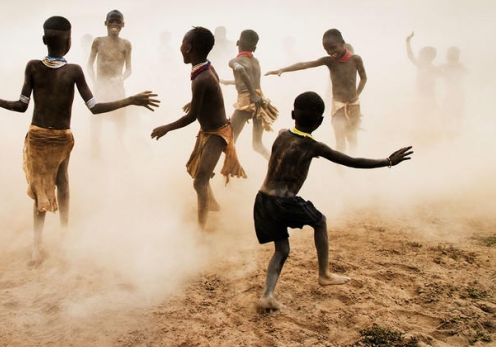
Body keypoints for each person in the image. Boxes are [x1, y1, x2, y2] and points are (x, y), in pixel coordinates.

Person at [0, 15, 158, 264]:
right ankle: (65, 239)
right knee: (62, 183)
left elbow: (21, 106)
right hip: (61, 137)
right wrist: (129, 100)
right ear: (68, 42)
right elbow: (95, 107)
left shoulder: (33, 67)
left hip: (37, 136)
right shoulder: (74, 71)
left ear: (44, 39)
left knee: (40, 189)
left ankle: (37, 247)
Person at [255, 91, 412, 311]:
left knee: (282, 249)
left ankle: (267, 295)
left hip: (263, 200)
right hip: (284, 202)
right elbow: (352, 161)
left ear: (292, 114)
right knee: (319, 221)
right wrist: (387, 161)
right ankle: (324, 274)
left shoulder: (281, 134)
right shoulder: (313, 147)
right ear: (320, 122)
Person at [151, 26, 246, 229]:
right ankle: (213, 205)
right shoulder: (206, 68)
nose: (180, 47)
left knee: (199, 181)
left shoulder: (202, 77)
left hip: (218, 134)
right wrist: (196, 101)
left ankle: (201, 229)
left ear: (189, 48)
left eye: (182, 43)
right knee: (199, 172)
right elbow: (213, 90)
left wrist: (166, 127)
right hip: (209, 130)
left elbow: (192, 117)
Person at [266, 29, 367, 152]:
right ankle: (341, 170)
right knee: (340, 141)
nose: (330, 52)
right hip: (338, 106)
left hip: (354, 106)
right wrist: (282, 69)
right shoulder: (329, 61)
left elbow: (363, 78)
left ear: (342, 43)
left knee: (352, 139)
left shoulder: (356, 59)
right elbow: (304, 65)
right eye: (327, 50)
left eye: (333, 48)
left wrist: (356, 94)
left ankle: (354, 164)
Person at [226, 29, 278, 159]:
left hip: (247, 101)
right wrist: (225, 82)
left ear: (238, 43)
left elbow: (241, 71)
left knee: (230, 141)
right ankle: (277, 166)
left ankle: (228, 176)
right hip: (260, 102)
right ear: (254, 47)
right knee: (257, 145)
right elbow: (248, 80)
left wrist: (251, 94)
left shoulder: (235, 61)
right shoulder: (255, 62)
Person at [87, 9, 133, 154]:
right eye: (111, 21)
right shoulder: (98, 41)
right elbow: (89, 65)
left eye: (118, 22)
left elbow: (129, 70)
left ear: (123, 25)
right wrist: (94, 81)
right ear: (105, 23)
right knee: (97, 118)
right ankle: (95, 149)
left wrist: (120, 79)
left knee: (120, 119)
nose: (114, 24)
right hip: (101, 86)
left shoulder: (126, 44)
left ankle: (120, 148)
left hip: (117, 88)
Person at [405, 32, 439, 113]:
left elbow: (410, 56)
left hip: (425, 96)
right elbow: (411, 56)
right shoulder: (432, 67)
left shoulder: (423, 65)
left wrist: (408, 43)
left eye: (421, 54)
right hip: (426, 96)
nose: (419, 55)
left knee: (423, 115)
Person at [439, 46, 468, 132]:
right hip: (453, 93)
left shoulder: (450, 66)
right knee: (453, 113)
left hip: (454, 93)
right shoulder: (457, 66)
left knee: (454, 113)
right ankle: (453, 131)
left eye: (450, 53)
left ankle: (453, 131)